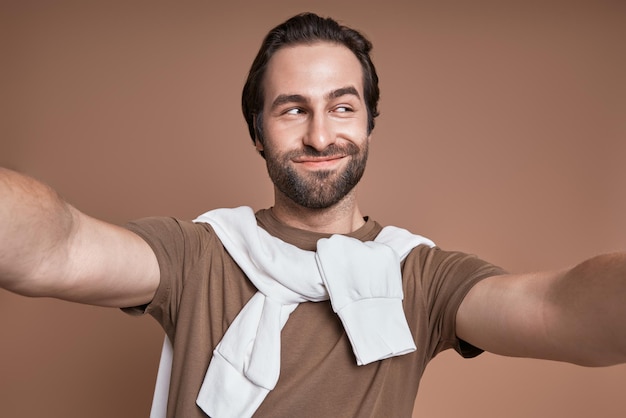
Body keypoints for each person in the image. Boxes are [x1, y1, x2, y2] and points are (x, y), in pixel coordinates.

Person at [1, 12, 625, 418]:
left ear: (370, 123)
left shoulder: (419, 278)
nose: (322, 135)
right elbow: (55, 248)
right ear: (257, 132)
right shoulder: (198, 254)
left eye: (342, 107)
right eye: (293, 109)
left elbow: (560, 311)